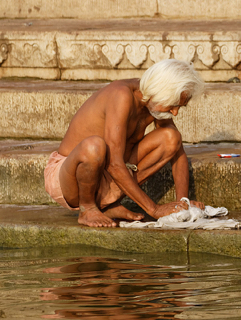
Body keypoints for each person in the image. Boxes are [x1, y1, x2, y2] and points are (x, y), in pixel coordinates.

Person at [44, 59, 206, 228]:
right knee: (94, 147)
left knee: (171, 137)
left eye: (180, 106)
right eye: (173, 105)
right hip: (68, 178)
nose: (175, 112)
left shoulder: (154, 101)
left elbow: (176, 149)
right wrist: (154, 209)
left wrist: (183, 203)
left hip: (105, 176)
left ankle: (107, 207)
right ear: (159, 93)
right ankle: (88, 208)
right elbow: (114, 164)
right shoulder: (122, 96)